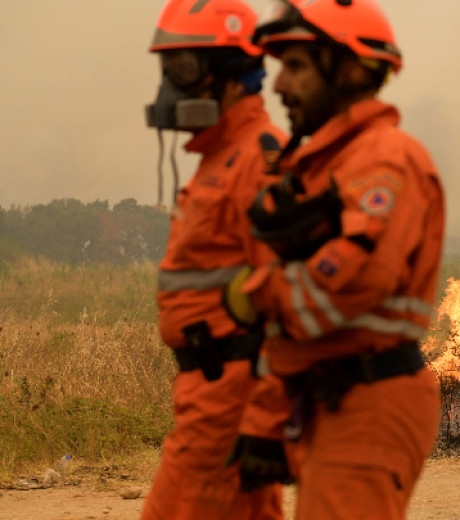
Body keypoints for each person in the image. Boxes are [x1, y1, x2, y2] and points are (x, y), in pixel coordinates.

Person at [222, 0, 446, 517]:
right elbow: (296, 335)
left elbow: (349, 285)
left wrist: (254, 295)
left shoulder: (384, 159)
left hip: (369, 402)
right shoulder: (327, 167)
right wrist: (263, 422)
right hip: (326, 399)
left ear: (349, 70)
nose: (278, 86)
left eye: (296, 67)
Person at [140, 1, 291, 518]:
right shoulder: (217, 159)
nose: (171, 89)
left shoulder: (260, 159)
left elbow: (286, 302)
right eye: (169, 69)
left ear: (233, 75)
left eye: (184, 69)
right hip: (205, 398)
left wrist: (266, 419)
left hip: (232, 398)